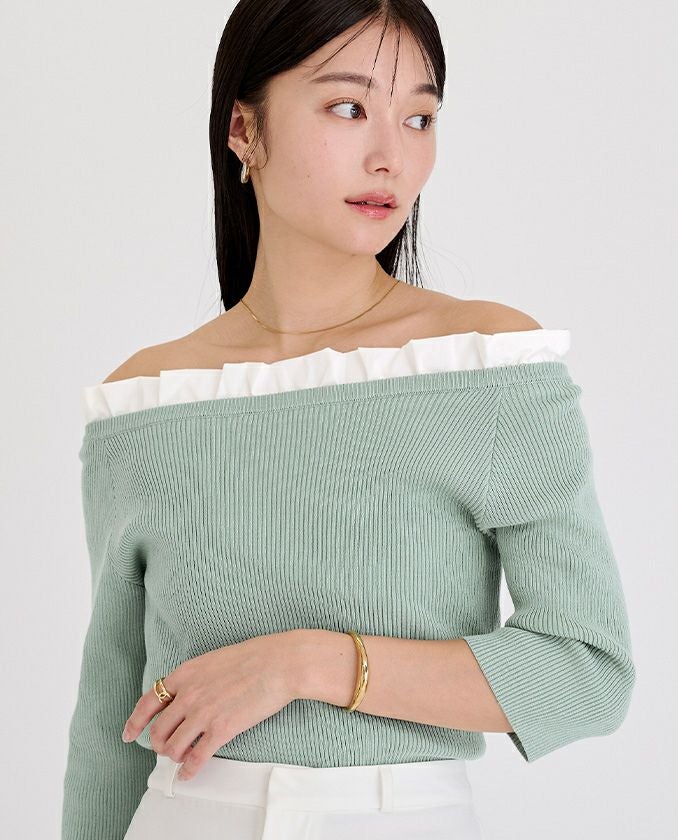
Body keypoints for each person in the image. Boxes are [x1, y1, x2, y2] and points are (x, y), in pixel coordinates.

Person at [61, 2, 636, 838]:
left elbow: (586, 672)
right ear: (243, 130)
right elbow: (110, 722)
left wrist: (306, 663)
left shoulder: (484, 367)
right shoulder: (148, 398)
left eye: (419, 118)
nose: (390, 155)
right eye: (347, 107)